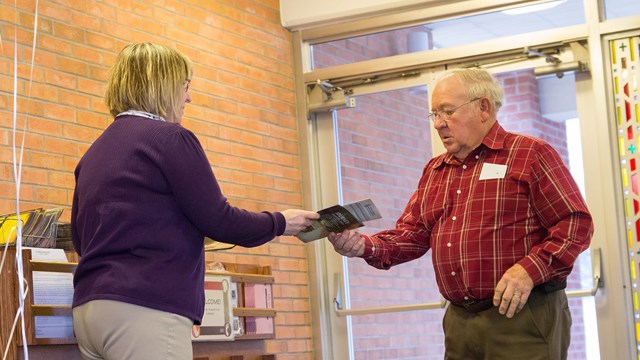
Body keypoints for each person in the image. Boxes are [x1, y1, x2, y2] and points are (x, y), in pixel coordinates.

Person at [70, 43, 319, 360]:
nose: (188, 98)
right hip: (146, 309)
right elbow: (219, 219)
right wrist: (281, 222)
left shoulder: (94, 152)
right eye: (186, 87)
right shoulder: (170, 139)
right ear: (165, 86)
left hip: (90, 310)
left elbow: (81, 238)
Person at [327, 68, 593, 360]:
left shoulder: (529, 154)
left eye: (447, 112)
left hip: (522, 312)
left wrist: (529, 270)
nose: (439, 124)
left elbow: (575, 224)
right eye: (434, 115)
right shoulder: (435, 170)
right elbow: (412, 235)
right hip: (459, 322)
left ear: (483, 107)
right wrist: (364, 245)